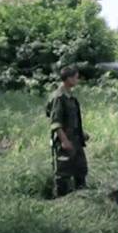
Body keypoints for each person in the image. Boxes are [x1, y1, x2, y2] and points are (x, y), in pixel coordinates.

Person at [46, 66, 89, 198]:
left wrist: (81, 134)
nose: (77, 80)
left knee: (80, 169)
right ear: (69, 78)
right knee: (63, 172)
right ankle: (62, 200)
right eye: (76, 77)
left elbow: (72, 119)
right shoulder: (59, 97)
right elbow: (55, 122)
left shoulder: (70, 97)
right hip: (64, 140)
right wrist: (64, 141)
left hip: (75, 139)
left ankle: (81, 197)